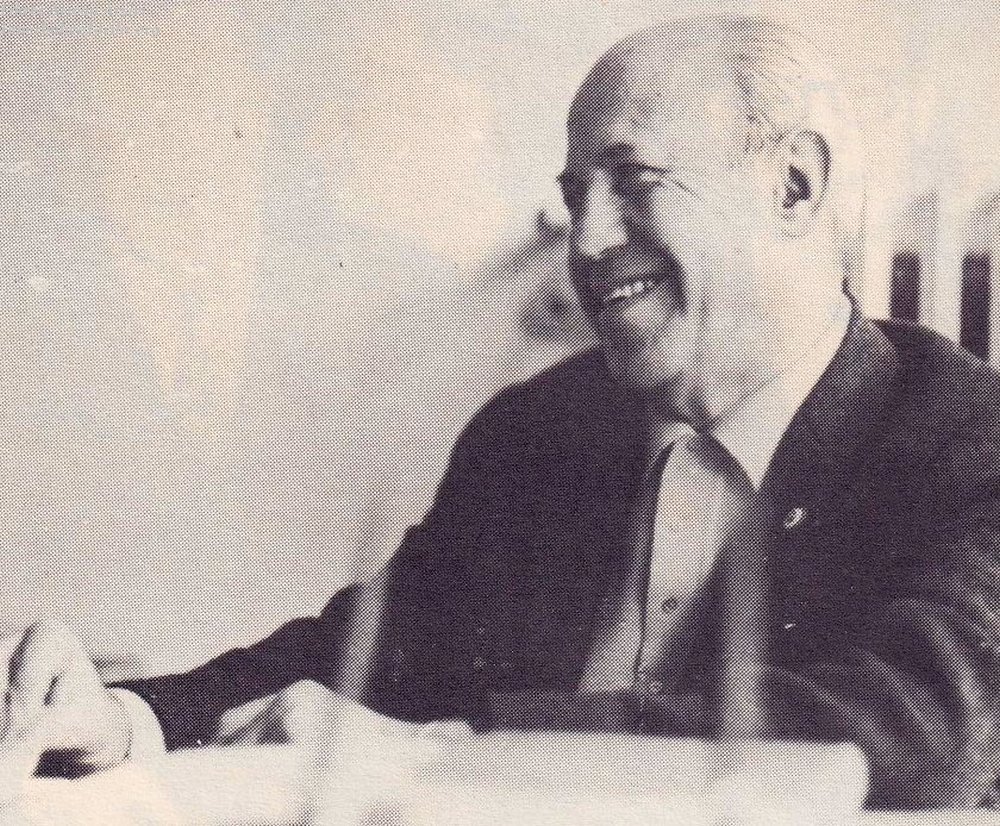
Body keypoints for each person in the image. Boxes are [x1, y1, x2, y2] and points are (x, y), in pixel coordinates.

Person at [4, 14, 1000, 810]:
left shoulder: (966, 436)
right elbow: (362, 656)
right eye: (575, 196)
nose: (586, 241)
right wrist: (126, 717)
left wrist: (447, 751)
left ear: (793, 186)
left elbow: (923, 736)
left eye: (634, 181)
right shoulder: (540, 429)